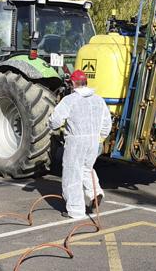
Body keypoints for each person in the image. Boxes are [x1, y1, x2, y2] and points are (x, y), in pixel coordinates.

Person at [48, 69, 111, 219]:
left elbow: (55, 121)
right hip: (93, 141)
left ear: (73, 83)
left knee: (72, 173)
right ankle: (96, 193)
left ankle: (75, 210)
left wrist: (51, 126)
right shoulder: (98, 100)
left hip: (76, 141)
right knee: (86, 168)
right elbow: (107, 124)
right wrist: (99, 138)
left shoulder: (70, 100)